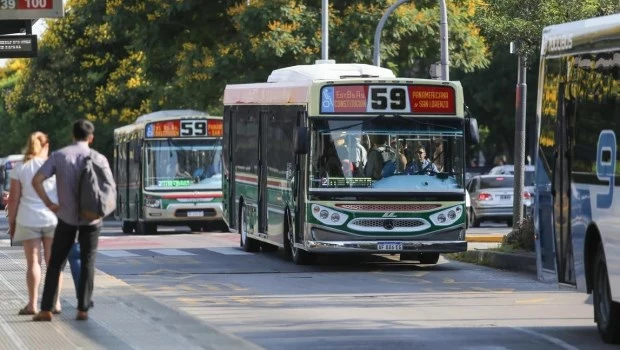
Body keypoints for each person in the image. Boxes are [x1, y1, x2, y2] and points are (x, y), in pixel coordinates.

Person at [32, 119, 111, 322]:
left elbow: (37, 180)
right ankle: (83, 308)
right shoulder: (99, 158)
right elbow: (110, 189)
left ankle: (46, 309)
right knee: (88, 261)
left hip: (66, 217)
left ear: (72, 135)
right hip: (92, 220)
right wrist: (101, 211)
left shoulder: (59, 156)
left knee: (55, 262)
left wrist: (49, 203)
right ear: (91, 138)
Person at [7, 132, 63, 316]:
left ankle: (32, 304)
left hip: (28, 219)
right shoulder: (53, 165)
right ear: (45, 146)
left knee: (33, 263)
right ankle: (55, 303)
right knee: (53, 262)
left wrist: (12, 223)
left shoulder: (21, 167)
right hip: (52, 218)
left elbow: (13, 199)